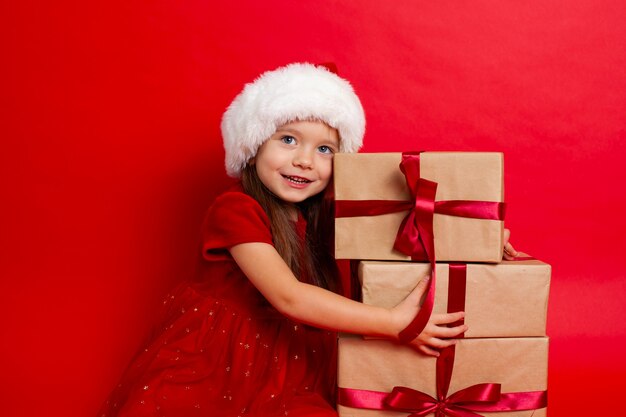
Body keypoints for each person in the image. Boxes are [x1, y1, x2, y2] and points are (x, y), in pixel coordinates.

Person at [98, 62, 508, 417]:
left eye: (325, 149)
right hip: (221, 364)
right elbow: (288, 296)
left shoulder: (325, 216)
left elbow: (408, 233)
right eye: (288, 139)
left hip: (290, 364)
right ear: (254, 145)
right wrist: (393, 323)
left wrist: (476, 237)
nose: (305, 160)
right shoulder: (236, 210)